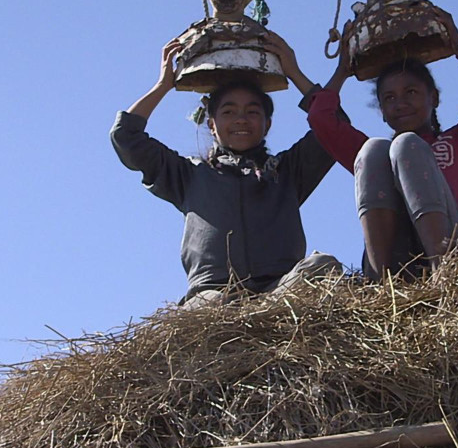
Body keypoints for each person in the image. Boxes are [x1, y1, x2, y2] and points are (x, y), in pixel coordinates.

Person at [110, 34, 341, 306]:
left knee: (323, 266)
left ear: (267, 124)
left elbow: (335, 126)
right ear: (211, 124)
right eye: (229, 112)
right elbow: (125, 136)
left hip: (280, 291)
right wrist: (164, 85)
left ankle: (257, 317)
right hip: (212, 297)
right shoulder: (189, 175)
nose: (241, 119)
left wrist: (294, 72)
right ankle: (237, 318)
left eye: (252, 112)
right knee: (209, 306)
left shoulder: (287, 171)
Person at [308, 8, 458, 277]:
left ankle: (445, 272)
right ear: (383, 112)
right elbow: (320, 118)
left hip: (455, 247)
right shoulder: (380, 160)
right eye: (389, 98)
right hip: (400, 261)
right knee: (373, 148)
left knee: (406, 145)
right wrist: (343, 70)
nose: (400, 104)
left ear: (433, 98)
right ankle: (379, 283)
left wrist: (456, 42)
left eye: (411, 92)